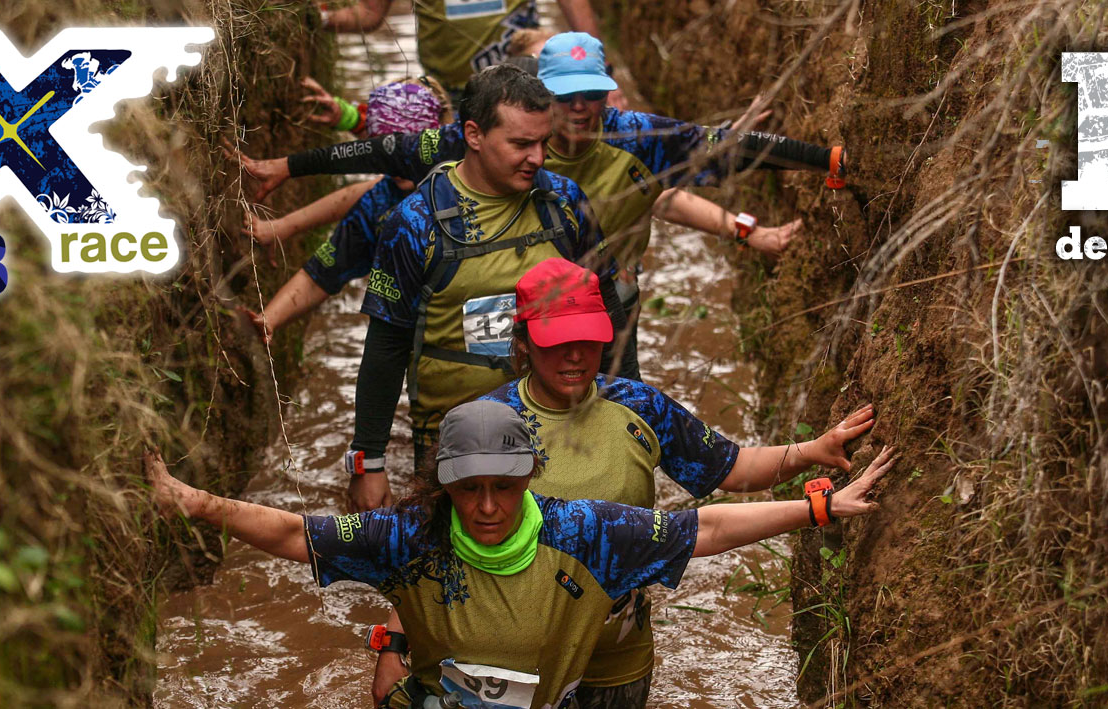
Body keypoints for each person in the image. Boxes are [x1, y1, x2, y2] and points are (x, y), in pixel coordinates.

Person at [365, 257, 882, 706]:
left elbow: (731, 467)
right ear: (521, 343)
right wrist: (393, 644)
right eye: (557, 342)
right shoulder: (486, 425)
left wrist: (813, 450)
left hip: (619, 656)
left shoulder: (639, 407)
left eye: (587, 341)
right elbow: (429, 544)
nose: (574, 356)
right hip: (508, 657)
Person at [146, 399, 896, 708]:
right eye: (468, 491)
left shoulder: (587, 533)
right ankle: (393, 651)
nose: (487, 507)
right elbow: (289, 532)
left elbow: (704, 530)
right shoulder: (408, 537)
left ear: (529, 477)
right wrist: (193, 500)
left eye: (503, 488)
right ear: (442, 488)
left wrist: (818, 504)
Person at [226, 32, 846, 372]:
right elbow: (387, 157)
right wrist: (288, 165)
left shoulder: (641, 139)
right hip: (504, 302)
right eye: (564, 98)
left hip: (605, 298)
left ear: (608, 96)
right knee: (490, 411)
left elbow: (734, 148)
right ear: (536, 96)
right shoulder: (490, 141)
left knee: (613, 417)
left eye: (590, 97)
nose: (578, 111)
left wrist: (826, 162)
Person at [345, 64, 626, 513]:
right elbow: (386, 346)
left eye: (543, 141)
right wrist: (368, 463)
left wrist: (629, 413)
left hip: (558, 431)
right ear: (473, 135)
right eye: (520, 144)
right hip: (454, 446)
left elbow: (608, 311)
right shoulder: (416, 223)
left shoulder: (564, 203)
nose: (538, 157)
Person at [230, 77, 451, 345]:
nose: (395, 166)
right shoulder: (380, 205)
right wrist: (268, 320)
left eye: (404, 152)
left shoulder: (475, 173)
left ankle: (282, 227)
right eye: (386, 153)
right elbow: (321, 273)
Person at [316, 0, 609, 103]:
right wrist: (317, 17)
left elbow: (572, 4)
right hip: (450, 92)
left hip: (524, 83)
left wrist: (599, 71)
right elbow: (369, 13)